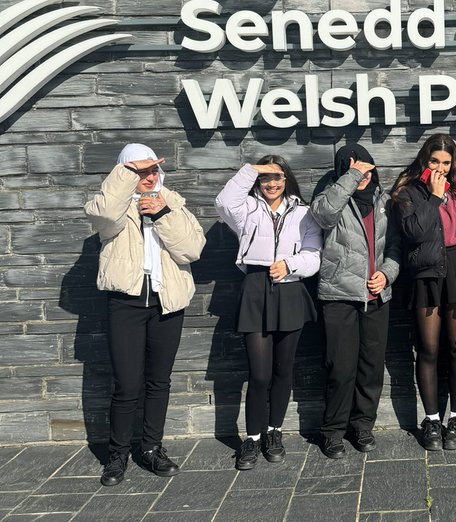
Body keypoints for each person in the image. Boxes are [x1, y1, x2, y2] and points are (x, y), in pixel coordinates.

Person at [85, 143, 205, 487]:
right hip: (126, 302)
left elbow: (191, 250)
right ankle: (118, 454)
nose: (149, 177)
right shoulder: (112, 208)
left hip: (167, 301)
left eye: (153, 171)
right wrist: (128, 174)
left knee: (158, 380)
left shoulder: (174, 203)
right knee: (127, 384)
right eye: (140, 171)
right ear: (124, 172)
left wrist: (163, 214)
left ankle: (151, 448)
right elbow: (105, 215)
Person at [215, 156, 322, 470]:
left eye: (277, 177)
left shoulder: (304, 212)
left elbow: (314, 255)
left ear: (286, 179)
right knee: (259, 374)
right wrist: (251, 170)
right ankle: (252, 438)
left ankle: (274, 432)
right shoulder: (246, 209)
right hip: (256, 287)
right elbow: (224, 201)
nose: (271, 184)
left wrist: (290, 265)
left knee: (282, 370)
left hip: (289, 288)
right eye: (266, 178)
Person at [310, 143, 401, 459]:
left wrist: (387, 274)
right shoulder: (331, 199)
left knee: (371, 367)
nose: (361, 173)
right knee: (341, 366)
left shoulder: (385, 203)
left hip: (376, 296)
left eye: (365, 166)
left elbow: (395, 249)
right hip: (339, 295)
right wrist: (350, 175)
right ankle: (333, 431)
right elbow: (322, 217)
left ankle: (363, 426)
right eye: (351, 167)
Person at [392, 133, 456, 450]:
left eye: (445, 162)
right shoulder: (408, 193)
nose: (440, 168)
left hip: (455, 271)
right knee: (427, 349)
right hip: (426, 274)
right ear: (424, 161)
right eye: (434, 161)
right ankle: (430, 420)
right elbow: (415, 232)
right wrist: (433, 197)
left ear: (453, 163)